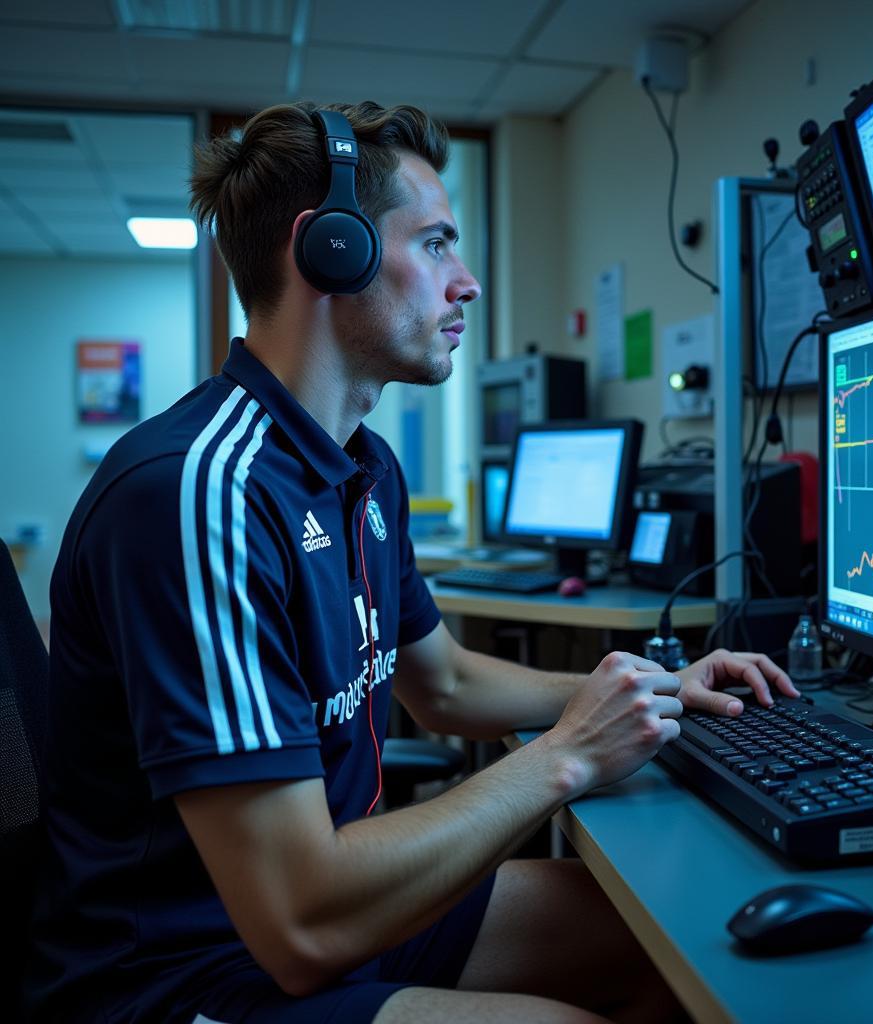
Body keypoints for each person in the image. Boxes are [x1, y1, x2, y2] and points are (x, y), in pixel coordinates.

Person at [25, 100, 799, 1024]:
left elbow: (447, 684)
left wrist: (653, 687)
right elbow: (300, 923)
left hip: (316, 912)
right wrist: (566, 758)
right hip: (181, 973)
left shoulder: (362, 466)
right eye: (435, 244)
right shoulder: (199, 493)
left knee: (670, 942)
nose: (466, 282)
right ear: (330, 251)